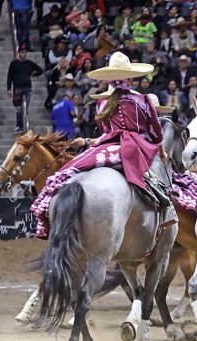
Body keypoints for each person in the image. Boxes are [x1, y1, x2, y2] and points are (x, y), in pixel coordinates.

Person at [30, 52, 163, 238]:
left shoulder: (102, 104)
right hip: (136, 148)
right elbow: (157, 135)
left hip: (105, 148)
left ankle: (47, 207)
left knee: (71, 168)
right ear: (131, 78)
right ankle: (164, 208)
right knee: (159, 178)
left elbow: (106, 133)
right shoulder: (143, 101)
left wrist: (89, 142)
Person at [6, 44, 44, 134]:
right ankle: (19, 126)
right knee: (19, 109)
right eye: (22, 52)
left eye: (25, 53)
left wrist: (33, 74)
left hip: (27, 88)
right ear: (19, 53)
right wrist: (8, 88)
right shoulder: (14, 64)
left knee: (25, 108)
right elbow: (9, 76)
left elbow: (40, 70)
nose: (24, 54)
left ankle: (23, 126)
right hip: (17, 88)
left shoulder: (30, 63)